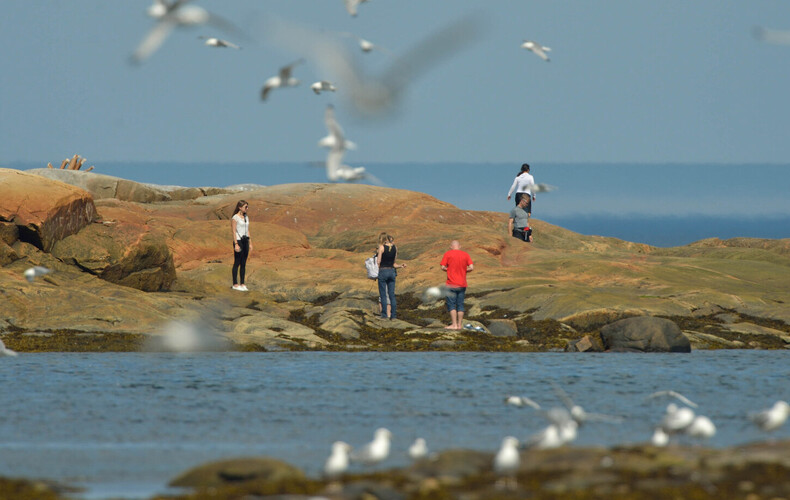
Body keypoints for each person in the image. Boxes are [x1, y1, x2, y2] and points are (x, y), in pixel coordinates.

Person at [439, 240, 474, 330]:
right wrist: (464, 270)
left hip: (451, 284)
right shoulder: (465, 254)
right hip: (462, 284)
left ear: (451, 246)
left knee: (451, 304)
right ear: (460, 246)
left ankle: (454, 324)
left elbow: (442, 266)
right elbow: (471, 267)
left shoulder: (448, 254)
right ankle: (459, 325)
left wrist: (448, 270)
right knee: (460, 305)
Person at [377, 233, 406, 319]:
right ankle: (393, 315)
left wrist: (377, 270)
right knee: (391, 294)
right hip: (392, 271)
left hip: (383, 270)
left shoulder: (381, 247)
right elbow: (394, 263)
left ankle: (384, 315)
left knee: (383, 295)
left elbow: (378, 261)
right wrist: (401, 265)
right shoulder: (395, 248)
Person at [231, 200, 252, 291]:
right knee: (237, 262)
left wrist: (250, 243)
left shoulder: (246, 217)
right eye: (245, 207)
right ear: (240, 207)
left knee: (243, 263)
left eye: (247, 207)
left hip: (245, 240)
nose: (247, 208)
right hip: (238, 241)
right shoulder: (235, 217)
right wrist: (236, 244)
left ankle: (242, 283)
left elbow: (247, 230)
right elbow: (233, 231)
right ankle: (235, 283)